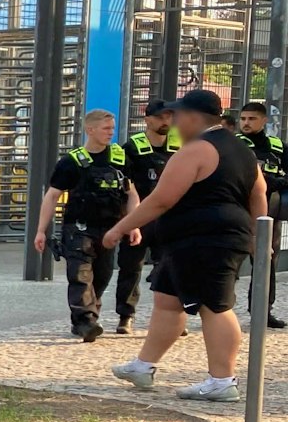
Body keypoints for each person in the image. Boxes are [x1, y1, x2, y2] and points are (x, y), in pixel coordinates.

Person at [105, 89, 265, 401]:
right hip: (210, 238)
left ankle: (222, 380)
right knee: (168, 297)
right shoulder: (240, 148)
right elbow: (258, 192)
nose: (172, 122)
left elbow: (162, 198)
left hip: (205, 240)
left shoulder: (196, 150)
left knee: (214, 306)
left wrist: (121, 227)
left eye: (176, 116)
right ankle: (143, 365)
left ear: (193, 117)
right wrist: (259, 234)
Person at [34, 110, 139, 342]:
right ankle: (86, 321)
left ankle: (85, 317)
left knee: (102, 275)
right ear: (90, 130)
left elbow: (132, 194)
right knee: (81, 275)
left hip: (110, 228)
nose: (111, 132)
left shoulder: (120, 159)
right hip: (78, 228)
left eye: (112, 128)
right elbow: (52, 196)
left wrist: (134, 225)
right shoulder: (71, 162)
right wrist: (41, 230)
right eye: (106, 128)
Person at [117, 99, 176, 332]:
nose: (165, 121)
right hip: (139, 217)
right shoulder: (131, 148)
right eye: (160, 117)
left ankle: (171, 318)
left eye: (169, 117)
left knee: (171, 267)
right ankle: (126, 316)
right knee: (130, 267)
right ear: (147, 120)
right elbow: (123, 187)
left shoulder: (182, 146)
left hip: (170, 218)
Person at [235, 100, 284, 328]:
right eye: (243, 118)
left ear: (264, 121)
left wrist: (278, 181)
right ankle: (218, 309)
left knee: (266, 261)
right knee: (231, 260)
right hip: (238, 209)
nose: (246, 123)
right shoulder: (234, 145)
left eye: (252, 119)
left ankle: (263, 310)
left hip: (268, 212)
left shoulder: (277, 147)